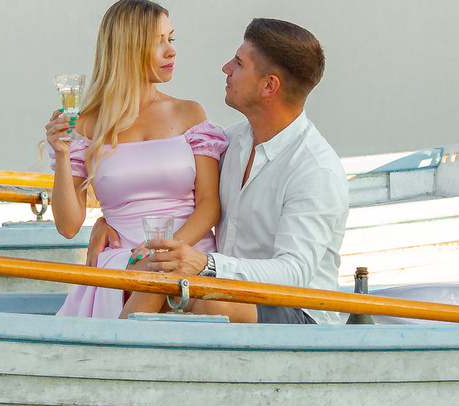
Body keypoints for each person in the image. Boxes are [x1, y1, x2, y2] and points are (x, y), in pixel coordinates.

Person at [131, 17, 347, 324]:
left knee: (206, 305)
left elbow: (294, 274)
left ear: (269, 86)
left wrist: (207, 265)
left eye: (238, 63)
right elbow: (174, 192)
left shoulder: (315, 170)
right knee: (151, 278)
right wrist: (106, 221)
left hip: (300, 314)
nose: (226, 69)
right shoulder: (230, 141)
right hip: (228, 294)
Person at [42, 0, 226, 319]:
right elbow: (69, 226)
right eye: (158, 43)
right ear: (128, 49)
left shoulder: (190, 114)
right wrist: (61, 153)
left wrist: (168, 250)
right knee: (148, 276)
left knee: (161, 273)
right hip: (124, 265)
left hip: (188, 254)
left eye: (171, 39)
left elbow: (209, 205)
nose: (172, 51)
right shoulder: (86, 125)